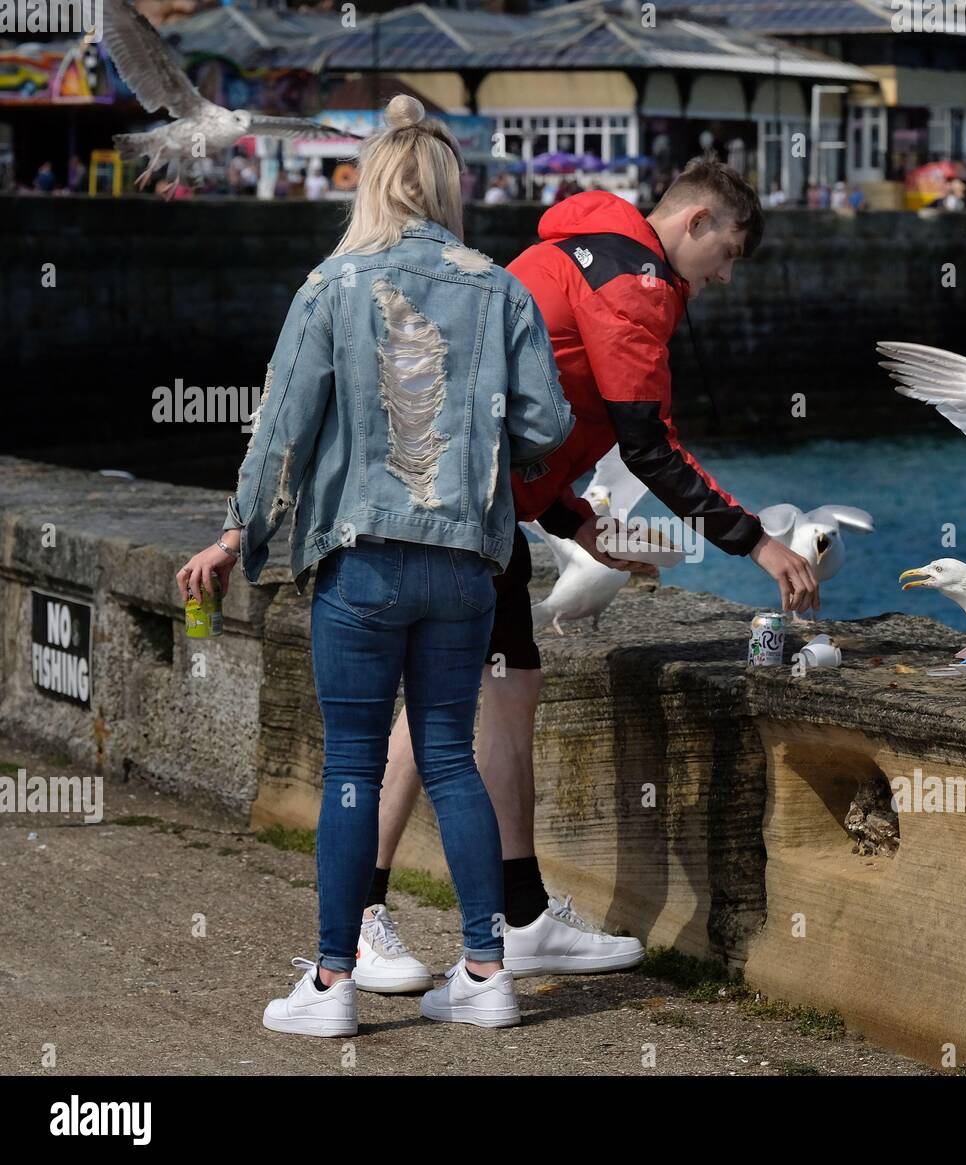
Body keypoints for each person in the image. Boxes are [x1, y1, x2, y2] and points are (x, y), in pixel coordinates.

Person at [349, 157, 821, 993]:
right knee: (449, 702)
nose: (725, 277)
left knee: (498, 690)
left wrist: (575, 522)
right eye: (730, 253)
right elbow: (649, 441)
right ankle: (376, 920)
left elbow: (543, 408)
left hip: (466, 497)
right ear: (697, 222)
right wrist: (757, 543)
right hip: (458, 504)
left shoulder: (590, 254)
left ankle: (510, 917)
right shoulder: (634, 279)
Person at [175, 95, 576, 1036]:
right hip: (467, 566)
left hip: (361, 560)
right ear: (446, 188)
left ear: (371, 184)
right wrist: (489, 449)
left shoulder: (333, 284)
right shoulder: (502, 287)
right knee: (450, 757)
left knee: (355, 763)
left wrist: (236, 537)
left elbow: (281, 430)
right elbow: (548, 427)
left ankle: (332, 983)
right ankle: (486, 970)